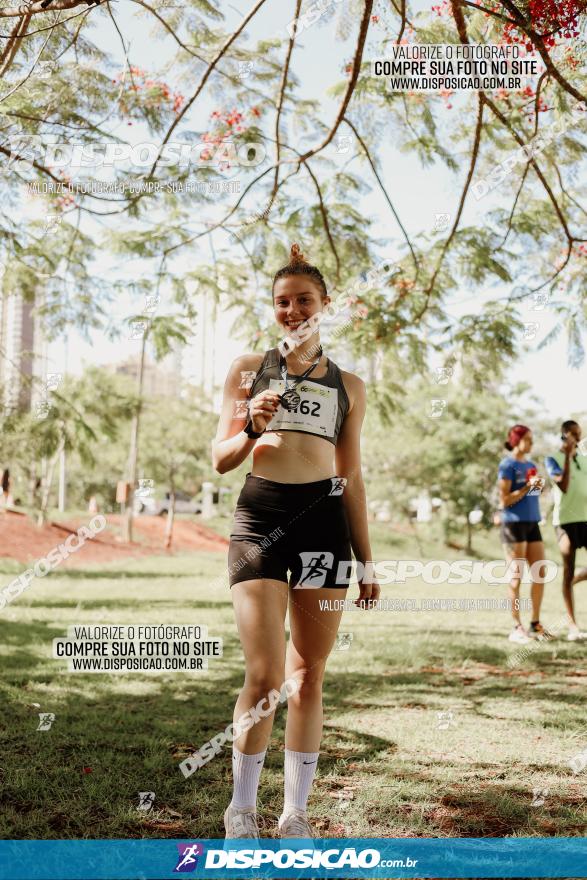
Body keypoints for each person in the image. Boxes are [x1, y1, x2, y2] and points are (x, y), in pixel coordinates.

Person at [212, 243, 379, 840]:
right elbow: (221, 458)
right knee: (264, 676)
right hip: (261, 521)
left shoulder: (350, 385)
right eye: (282, 301)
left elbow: (352, 477)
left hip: (324, 527)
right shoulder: (245, 370)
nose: (292, 309)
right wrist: (253, 423)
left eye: (303, 300)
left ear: (325, 305)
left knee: (308, 676)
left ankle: (296, 815)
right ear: (273, 307)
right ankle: (242, 809)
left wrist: (366, 559)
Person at [497, 425, 550, 644]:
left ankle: (535, 624)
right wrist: (527, 487)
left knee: (540, 572)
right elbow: (504, 500)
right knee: (516, 576)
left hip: (532, 522)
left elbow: (534, 494)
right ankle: (516, 627)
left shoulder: (530, 465)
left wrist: (537, 487)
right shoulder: (507, 464)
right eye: (527, 439)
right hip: (513, 524)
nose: (531, 443)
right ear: (516, 440)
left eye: (532, 439)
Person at [545, 420, 587, 641]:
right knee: (567, 569)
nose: (578, 440)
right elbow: (563, 485)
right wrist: (569, 457)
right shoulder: (553, 459)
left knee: (574, 575)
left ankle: (575, 579)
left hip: (586, 519)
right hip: (565, 521)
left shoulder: (585, 460)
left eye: (579, 435)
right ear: (565, 436)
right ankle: (573, 627)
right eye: (574, 435)